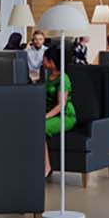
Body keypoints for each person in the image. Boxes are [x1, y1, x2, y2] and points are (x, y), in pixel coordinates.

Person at [40, 46, 75, 178]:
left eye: (45, 58)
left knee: (40, 128)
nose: (42, 60)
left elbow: (61, 105)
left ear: (52, 61)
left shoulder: (63, 79)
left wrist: (45, 117)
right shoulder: (47, 75)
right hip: (49, 112)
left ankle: (47, 167)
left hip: (64, 115)